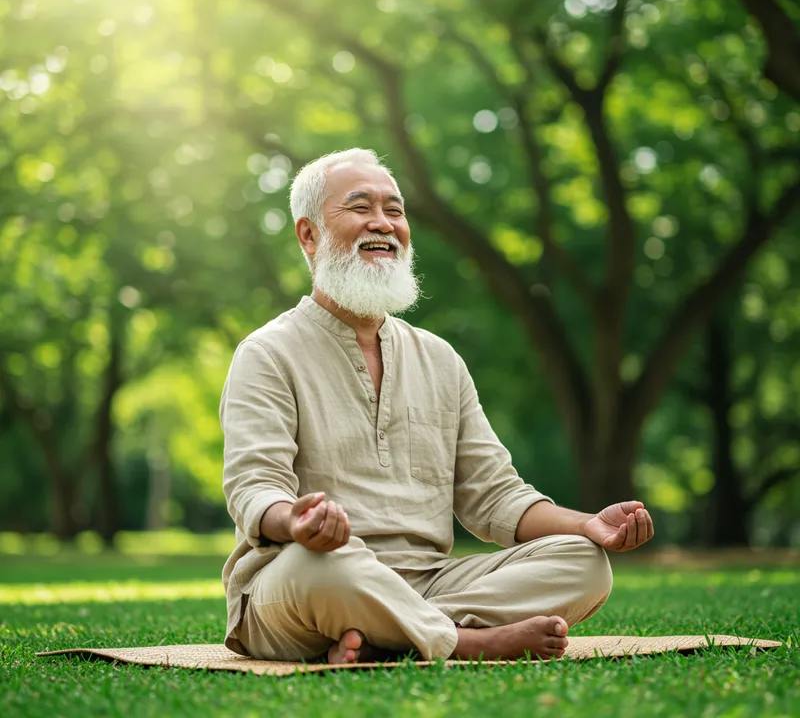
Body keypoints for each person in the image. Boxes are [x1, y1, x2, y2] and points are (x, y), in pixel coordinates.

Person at [220, 148, 654, 665]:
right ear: (308, 234)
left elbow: (495, 496)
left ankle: (390, 638)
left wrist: (588, 525)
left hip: (432, 582)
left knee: (584, 562)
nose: (383, 223)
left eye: (394, 210)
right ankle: (465, 642)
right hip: (310, 580)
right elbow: (254, 488)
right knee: (323, 566)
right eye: (360, 207)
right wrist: (295, 523)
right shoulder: (267, 353)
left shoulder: (439, 358)